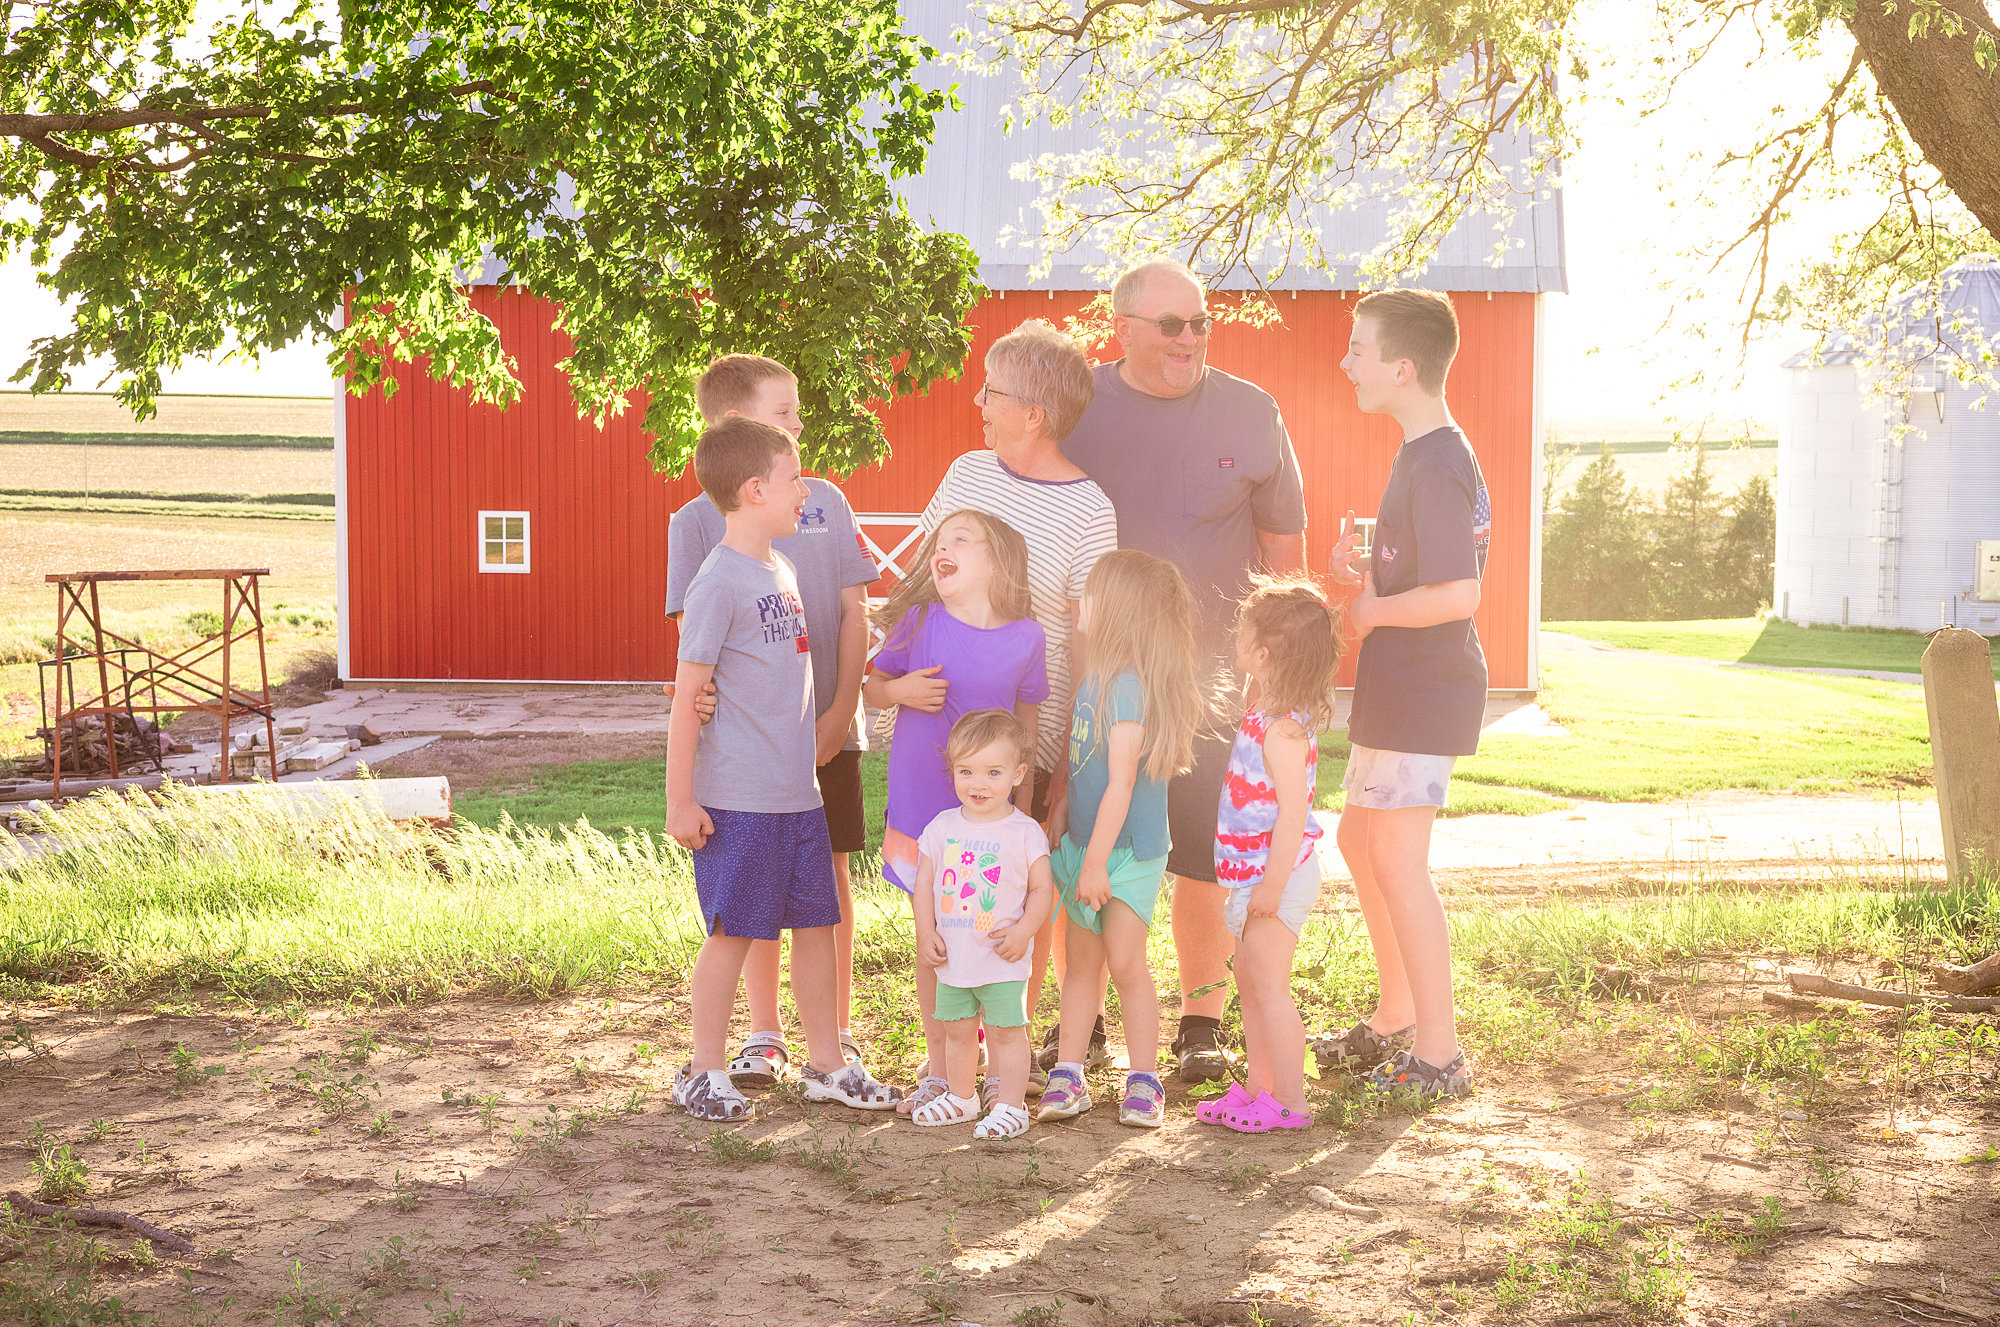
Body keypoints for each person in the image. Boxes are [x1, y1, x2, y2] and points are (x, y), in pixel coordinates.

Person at [1060, 260, 1307, 1084]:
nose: (1190, 338)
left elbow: (1283, 551)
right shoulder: (1078, 407)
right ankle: (1083, 1018)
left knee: (1201, 853)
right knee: (1094, 840)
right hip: (1105, 674)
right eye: (1171, 325)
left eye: (1201, 322)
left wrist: (1279, 671)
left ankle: (1202, 1021)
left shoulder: (1250, 410)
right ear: (1122, 326)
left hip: (1212, 678)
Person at [664, 415, 900, 1120]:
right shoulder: (719, 581)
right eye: (795, 478)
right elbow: (687, 697)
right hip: (739, 796)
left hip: (798, 793)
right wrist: (681, 799)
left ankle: (827, 1062)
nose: (806, 491)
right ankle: (703, 1070)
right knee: (734, 929)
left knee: (818, 925)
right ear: (755, 488)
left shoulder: (784, 567)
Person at [919, 320, 1116, 1058]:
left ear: (1033, 414)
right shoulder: (968, 472)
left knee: (1014, 888)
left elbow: (1094, 637)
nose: (979, 401)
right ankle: (946, 1054)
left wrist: (1062, 766)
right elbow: (923, 583)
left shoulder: (1090, 509)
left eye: (992, 391)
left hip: (1027, 734)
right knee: (942, 886)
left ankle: (1014, 1048)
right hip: (940, 722)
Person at [1318, 288, 1488, 1102]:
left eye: (1357, 348)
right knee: (1358, 843)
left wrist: (1373, 608)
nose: (1344, 362)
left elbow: (1460, 592)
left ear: (1402, 366)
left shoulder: (1441, 460)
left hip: (1426, 691)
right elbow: (1423, 570)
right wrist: (1369, 576)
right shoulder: (1417, 454)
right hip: (1397, 687)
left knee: (1395, 857)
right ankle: (1394, 1014)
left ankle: (1439, 1051)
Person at [862, 509, 1048, 1116]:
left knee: (993, 930)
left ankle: (999, 1066)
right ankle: (940, 1066)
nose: (944, 549)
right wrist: (899, 692)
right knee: (935, 935)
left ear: (997, 561)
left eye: (961, 540)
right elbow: (871, 688)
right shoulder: (918, 623)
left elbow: (1028, 722)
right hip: (922, 801)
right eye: (940, 542)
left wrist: (1022, 799)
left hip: (993, 815)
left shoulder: (1027, 637)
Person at [1035, 551, 1204, 1129]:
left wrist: (1098, 862)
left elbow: (1122, 782)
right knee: (1080, 966)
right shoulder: (1097, 679)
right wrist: (1061, 810)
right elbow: (1086, 768)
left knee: (1127, 963)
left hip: (1124, 853)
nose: (1079, 602)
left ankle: (1144, 1079)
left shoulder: (1128, 687)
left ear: (1119, 613)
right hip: (1088, 846)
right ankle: (1069, 1073)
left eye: (1091, 594)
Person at [1199, 576, 1343, 1132]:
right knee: (1251, 984)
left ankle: (1292, 1100)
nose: (1234, 638)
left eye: (1243, 632)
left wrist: (1272, 887)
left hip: (1276, 877)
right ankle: (1262, 1088)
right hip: (1251, 877)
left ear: (1262, 653)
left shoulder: (1284, 731)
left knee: (1271, 988)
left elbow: (1291, 815)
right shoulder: (1262, 708)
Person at [909, 709, 1056, 1140]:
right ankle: (961, 1096)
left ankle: (1011, 1107)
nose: (978, 783)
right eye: (966, 771)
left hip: (1000, 958)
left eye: (993, 772)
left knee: (1006, 1033)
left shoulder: (1024, 831)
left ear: (1018, 774)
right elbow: (924, 883)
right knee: (956, 1031)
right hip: (954, 956)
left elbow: (1043, 890)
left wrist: (1025, 930)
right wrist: (926, 930)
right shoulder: (942, 827)